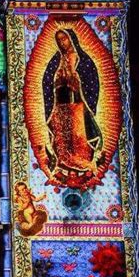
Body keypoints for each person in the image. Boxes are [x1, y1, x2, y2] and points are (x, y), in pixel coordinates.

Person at [46, 29, 103, 178]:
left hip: (75, 100)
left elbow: (87, 78)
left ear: (71, 38)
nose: (62, 42)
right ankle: (63, 161)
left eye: (64, 38)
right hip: (61, 99)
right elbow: (52, 79)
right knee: (61, 130)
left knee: (77, 132)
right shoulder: (59, 58)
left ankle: (84, 161)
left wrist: (72, 78)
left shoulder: (80, 59)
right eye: (59, 40)